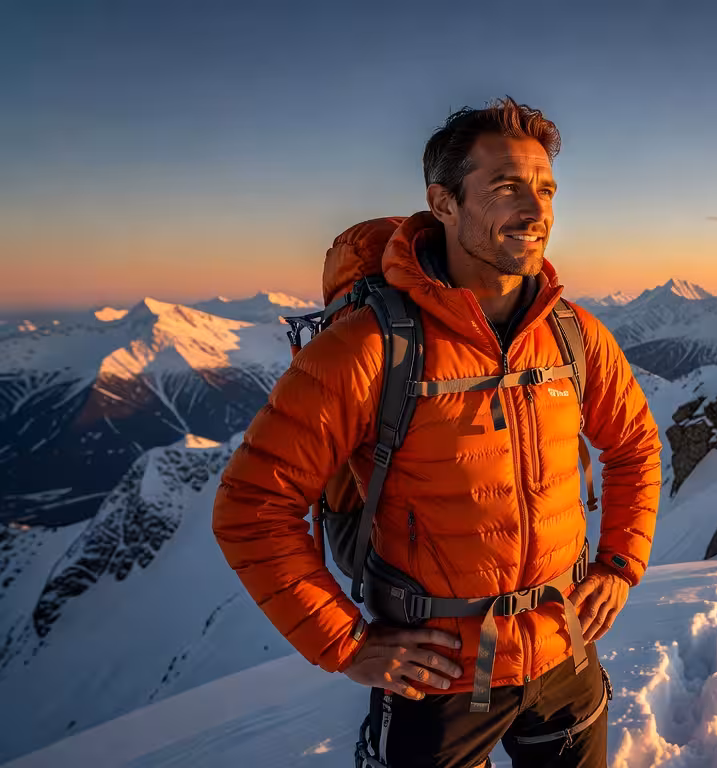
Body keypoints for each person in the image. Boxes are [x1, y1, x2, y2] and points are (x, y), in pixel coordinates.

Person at [212, 97, 662, 768]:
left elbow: (634, 446)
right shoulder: (367, 349)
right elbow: (251, 509)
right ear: (443, 203)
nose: (537, 212)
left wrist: (621, 566)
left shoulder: (572, 335)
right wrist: (351, 646)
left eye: (544, 189)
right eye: (507, 187)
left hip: (562, 649)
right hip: (437, 671)